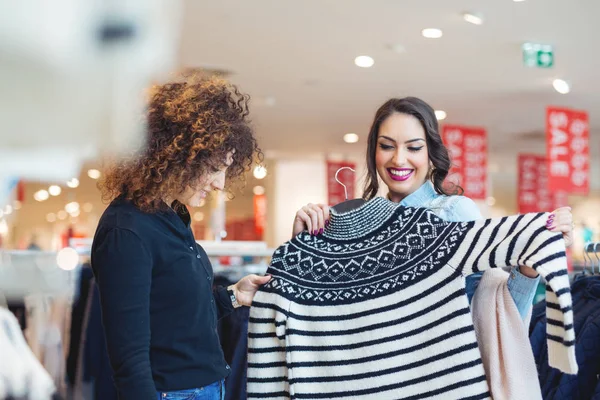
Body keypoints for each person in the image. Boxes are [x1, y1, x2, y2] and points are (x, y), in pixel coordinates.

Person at [292, 96, 574, 318]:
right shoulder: (354, 220)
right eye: (387, 146)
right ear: (374, 153)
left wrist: (531, 261)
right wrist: (302, 243)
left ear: (431, 154)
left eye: (413, 147)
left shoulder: (453, 213)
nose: (399, 159)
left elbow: (497, 313)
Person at [92, 74, 270, 400]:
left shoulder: (170, 217)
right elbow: (129, 361)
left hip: (205, 387)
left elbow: (177, 320)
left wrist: (233, 295)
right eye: (215, 167)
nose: (220, 184)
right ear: (180, 156)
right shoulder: (127, 231)